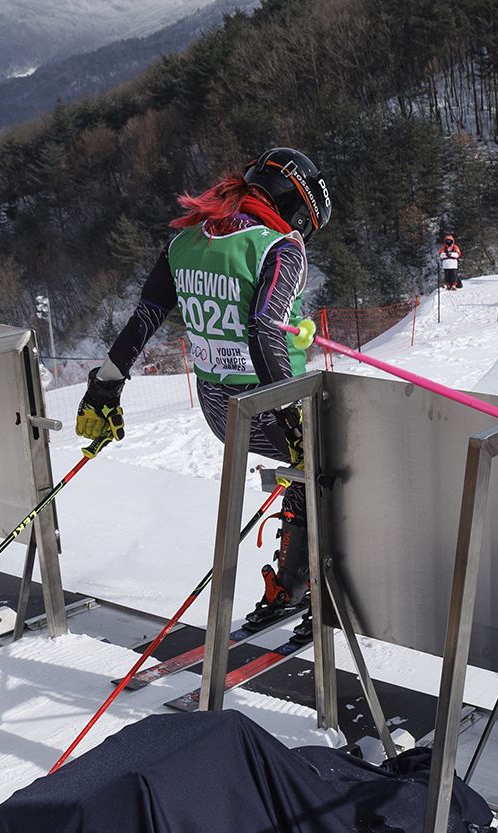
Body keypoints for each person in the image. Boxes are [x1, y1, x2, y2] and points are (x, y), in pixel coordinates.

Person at [75, 147, 331, 640]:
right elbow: (263, 329)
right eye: (304, 222)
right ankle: (326, 594)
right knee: (340, 472)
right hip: (269, 402)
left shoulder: (187, 240)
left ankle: (292, 584)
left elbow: (146, 316)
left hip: (219, 408)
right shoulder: (279, 248)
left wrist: (106, 386)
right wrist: (292, 418)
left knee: (306, 476)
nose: (302, 233)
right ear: (295, 206)